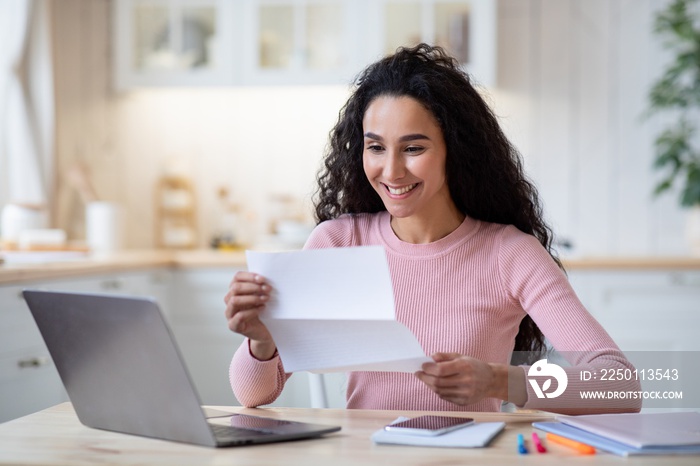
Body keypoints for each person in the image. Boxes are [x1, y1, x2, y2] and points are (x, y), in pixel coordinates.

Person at [224, 44, 641, 414]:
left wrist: (501, 382)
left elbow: (621, 385)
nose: (391, 170)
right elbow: (253, 396)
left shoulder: (511, 254)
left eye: (413, 148)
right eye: (376, 147)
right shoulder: (338, 242)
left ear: (453, 150)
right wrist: (263, 341)